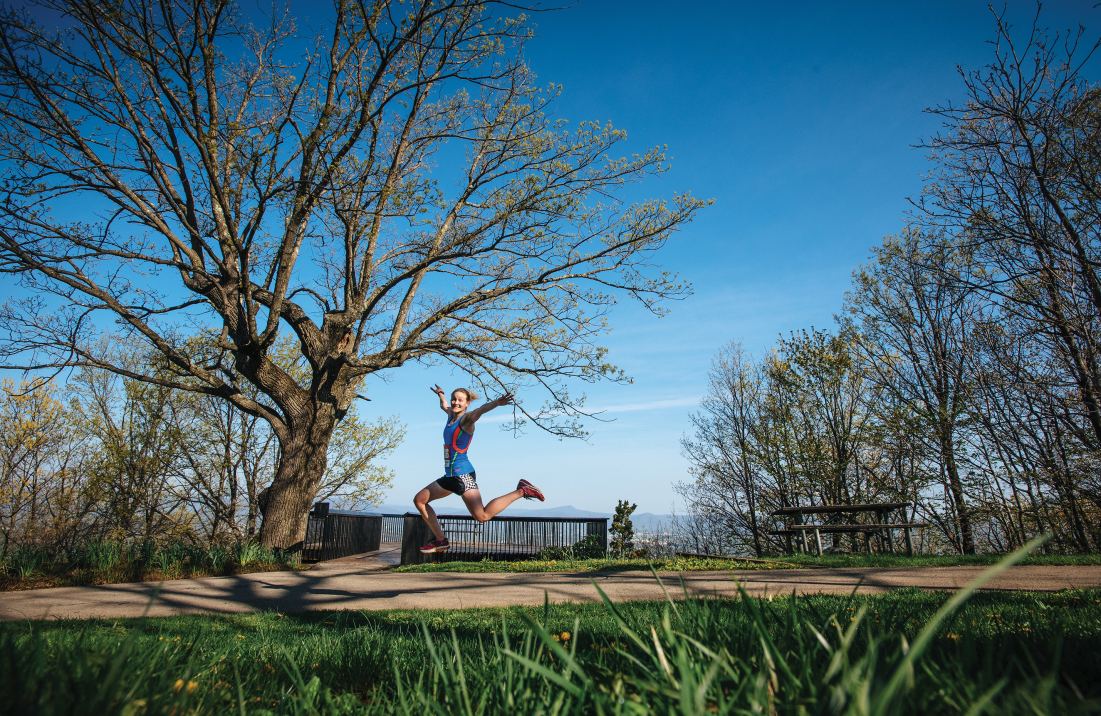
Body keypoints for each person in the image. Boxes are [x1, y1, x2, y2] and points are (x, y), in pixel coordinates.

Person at [413, 385, 545, 554]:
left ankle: (522, 490)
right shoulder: (450, 416)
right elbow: (443, 405)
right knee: (420, 500)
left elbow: (481, 410)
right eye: (454, 399)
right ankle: (441, 541)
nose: (455, 402)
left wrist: (497, 403)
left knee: (482, 516)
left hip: (463, 476)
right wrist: (441, 395)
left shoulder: (467, 419)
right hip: (450, 477)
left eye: (460, 400)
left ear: (467, 404)